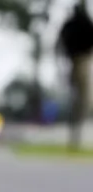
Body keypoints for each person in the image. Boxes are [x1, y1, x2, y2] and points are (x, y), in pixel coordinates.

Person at [56, 2, 93, 148]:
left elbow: (60, 42)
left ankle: (75, 134)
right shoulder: (80, 23)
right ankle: (75, 134)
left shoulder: (73, 24)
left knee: (79, 99)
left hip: (76, 61)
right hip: (79, 61)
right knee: (81, 99)